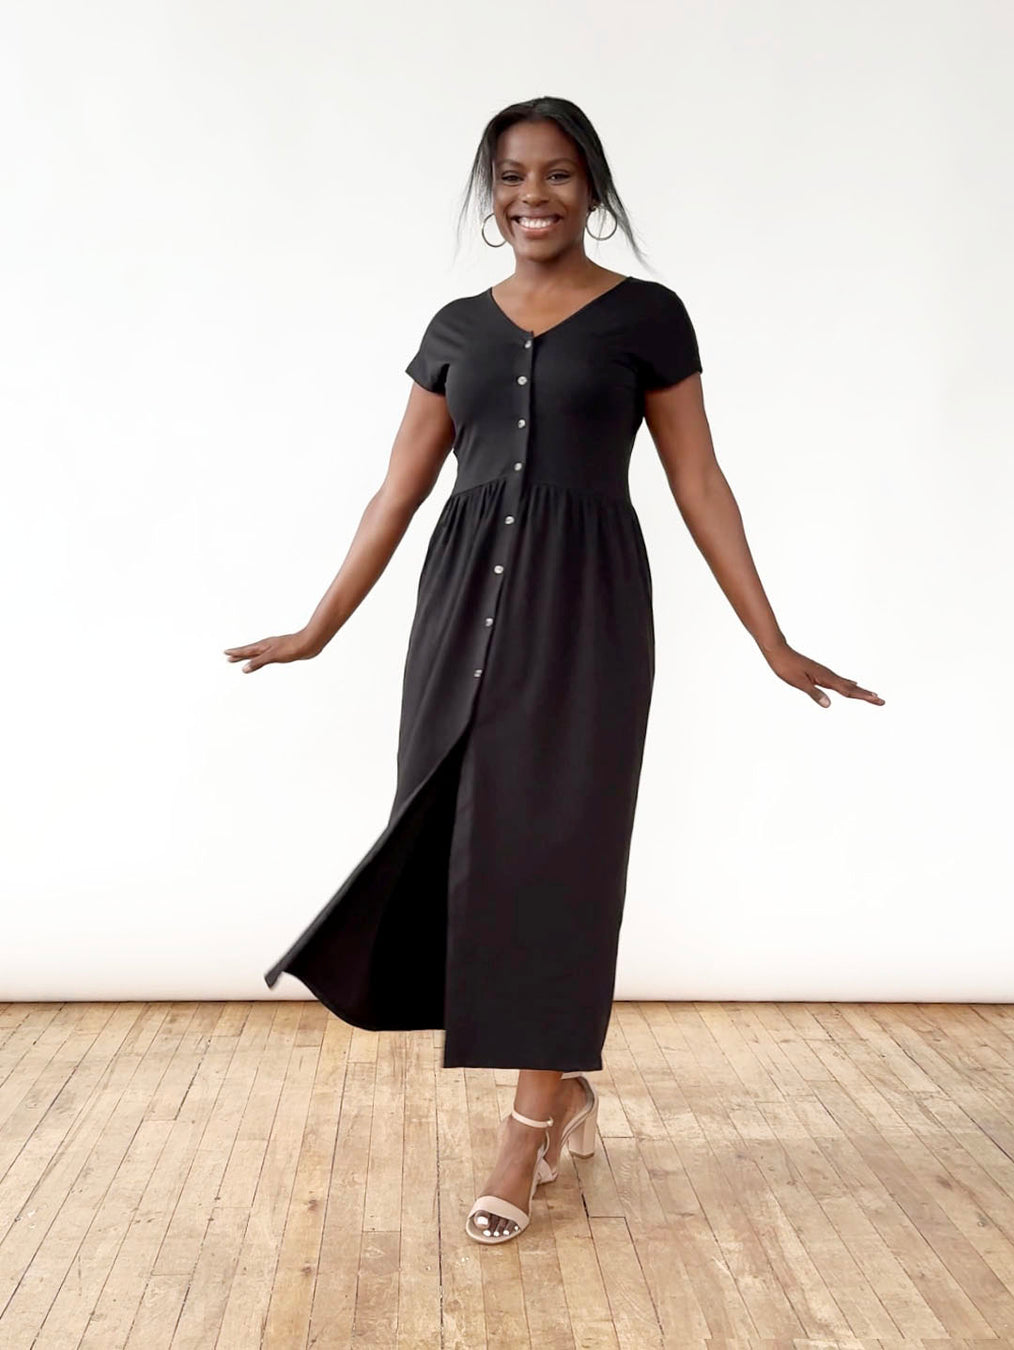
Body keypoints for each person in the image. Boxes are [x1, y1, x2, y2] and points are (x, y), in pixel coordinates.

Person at [225, 95, 885, 1245]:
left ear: (593, 190)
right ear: (492, 197)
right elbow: (397, 492)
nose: (534, 195)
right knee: (455, 839)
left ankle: (526, 1128)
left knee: (560, 859)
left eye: (559, 174)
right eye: (512, 176)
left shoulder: (648, 317)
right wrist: (319, 626)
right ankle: (562, 1089)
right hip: (458, 617)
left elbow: (698, 483)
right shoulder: (453, 328)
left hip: (587, 615)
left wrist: (769, 639)